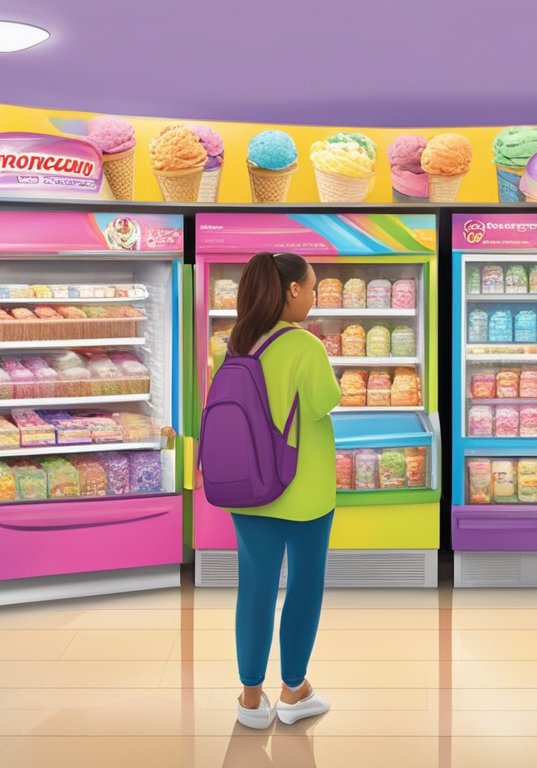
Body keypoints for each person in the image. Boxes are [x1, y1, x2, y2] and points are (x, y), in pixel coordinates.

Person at [214, 252, 341, 729]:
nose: (312, 295)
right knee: (304, 588)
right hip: (304, 491)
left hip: (247, 488)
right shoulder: (304, 346)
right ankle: (293, 691)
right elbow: (324, 402)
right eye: (311, 288)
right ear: (292, 291)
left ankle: (250, 700)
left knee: (255, 589)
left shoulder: (234, 344)